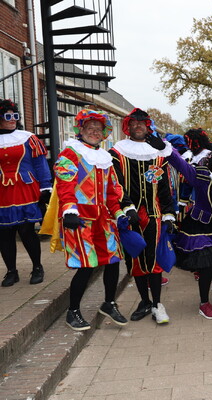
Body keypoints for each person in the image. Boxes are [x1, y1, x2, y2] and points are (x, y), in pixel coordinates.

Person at [52, 108, 136, 331]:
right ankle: (73, 311)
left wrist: (120, 213)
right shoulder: (71, 153)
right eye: (90, 128)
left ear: (104, 133)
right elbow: (65, 185)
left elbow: (111, 191)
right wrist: (69, 211)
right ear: (81, 130)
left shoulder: (105, 158)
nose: (94, 132)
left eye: (98, 129)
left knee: (112, 261)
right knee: (86, 266)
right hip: (79, 220)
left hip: (103, 219)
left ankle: (109, 303)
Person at [147, 135, 212, 320]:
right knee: (207, 261)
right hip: (197, 227)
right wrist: (165, 148)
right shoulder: (202, 176)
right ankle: (204, 304)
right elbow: (182, 166)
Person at [110, 108, 175, 325]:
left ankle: (157, 303)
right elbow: (116, 183)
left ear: (148, 127)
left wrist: (169, 214)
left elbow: (165, 186)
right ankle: (144, 301)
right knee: (136, 259)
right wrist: (127, 208)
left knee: (154, 259)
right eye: (134, 123)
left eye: (142, 123)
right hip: (131, 216)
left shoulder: (157, 153)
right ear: (127, 127)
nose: (138, 126)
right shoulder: (117, 153)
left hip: (155, 214)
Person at [0, 99, 51, 287]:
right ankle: (11, 272)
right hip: (2, 192)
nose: (13, 119)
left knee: (26, 230)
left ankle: (37, 267)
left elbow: (40, 163)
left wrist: (46, 186)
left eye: (15, 116)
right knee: (4, 233)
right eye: (8, 116)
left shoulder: (27, 137)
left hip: (25, 189)